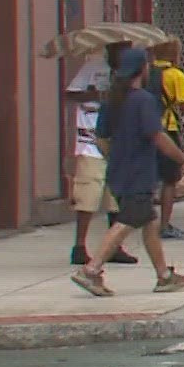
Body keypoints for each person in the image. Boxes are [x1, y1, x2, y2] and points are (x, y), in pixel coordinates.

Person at [70, 48, 184, 296]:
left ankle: (163, 275)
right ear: (142, 69)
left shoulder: (113, 100)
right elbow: (157, 135)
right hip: (138, 173)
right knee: (127, 222)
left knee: (149, 222)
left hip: (119, 172)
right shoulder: (143, 100)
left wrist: (115, 157)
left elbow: (101, 138)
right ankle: (91, 270)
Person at [65, 42, 138, 266]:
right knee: (88, 195)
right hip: (91, 140)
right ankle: (79, 246)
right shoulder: (93, 67)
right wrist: (95, 94)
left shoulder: (129, 74)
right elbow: (70, 94)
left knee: (115, 199)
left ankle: (114, 246)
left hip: (118, 141)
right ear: (110, 51)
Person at [143, 39, 184, 241]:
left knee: (148, 178)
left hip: (144, 131)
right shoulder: (176, 75)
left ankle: (143, 220)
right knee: (169, 180)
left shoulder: (145, 73)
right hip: (167, 129)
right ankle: (164, 225)